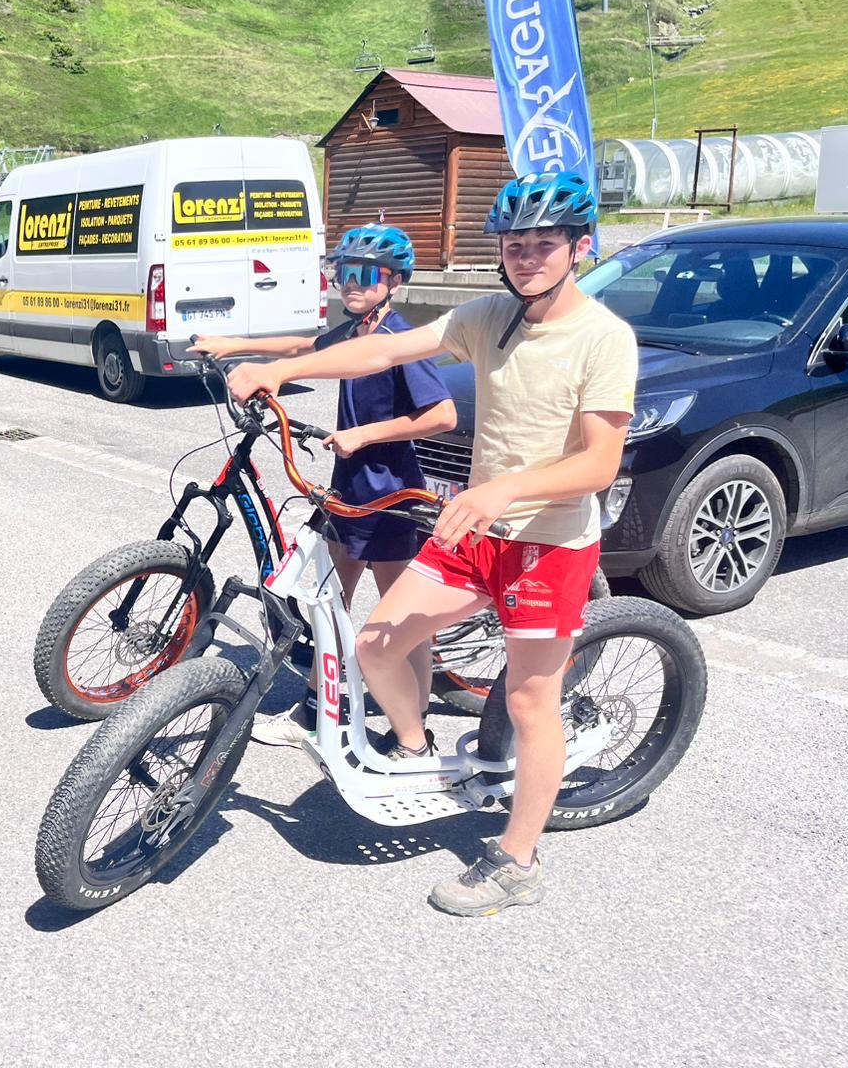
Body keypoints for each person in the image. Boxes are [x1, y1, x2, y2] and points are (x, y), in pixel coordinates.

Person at [226, 171, 636, 917]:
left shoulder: (604, 338)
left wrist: (499, 491)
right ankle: (415, 749)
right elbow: (379, 353)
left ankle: (517, 861)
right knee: (377, 643)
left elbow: (599, 464)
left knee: (529, 700)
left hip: (547, 542)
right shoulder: (490, 317)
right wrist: (282, 368)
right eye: (515, 245)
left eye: (545, 245)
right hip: (473, 531)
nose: (527, 257)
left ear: (580, 247)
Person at [194, 224, 455, 745]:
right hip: (349, 487)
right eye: (341, 273)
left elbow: (443, 415)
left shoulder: (398, 340)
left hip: (391, 491)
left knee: (400, 618)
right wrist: (234, 345)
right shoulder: (356, 330)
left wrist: (365, 434)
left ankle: (417, 722)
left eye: (364, 275)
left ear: (395, 281)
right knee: (327, 601)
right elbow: (305, 344)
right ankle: (315, 712)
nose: (350, 285)